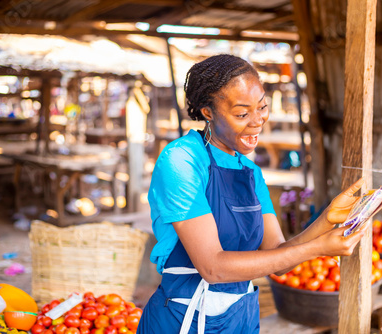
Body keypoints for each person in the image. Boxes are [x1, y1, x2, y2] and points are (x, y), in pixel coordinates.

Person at [137, 54, 368, 334]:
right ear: (208, 112)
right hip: (184, 319)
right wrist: (318, 248)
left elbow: (278, 258)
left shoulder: (250, 172)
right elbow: (213, 268)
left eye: (262, 108)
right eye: (242, 114)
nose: (257, 121)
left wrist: (326, 221)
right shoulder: (182, 161)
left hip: (240, 318)